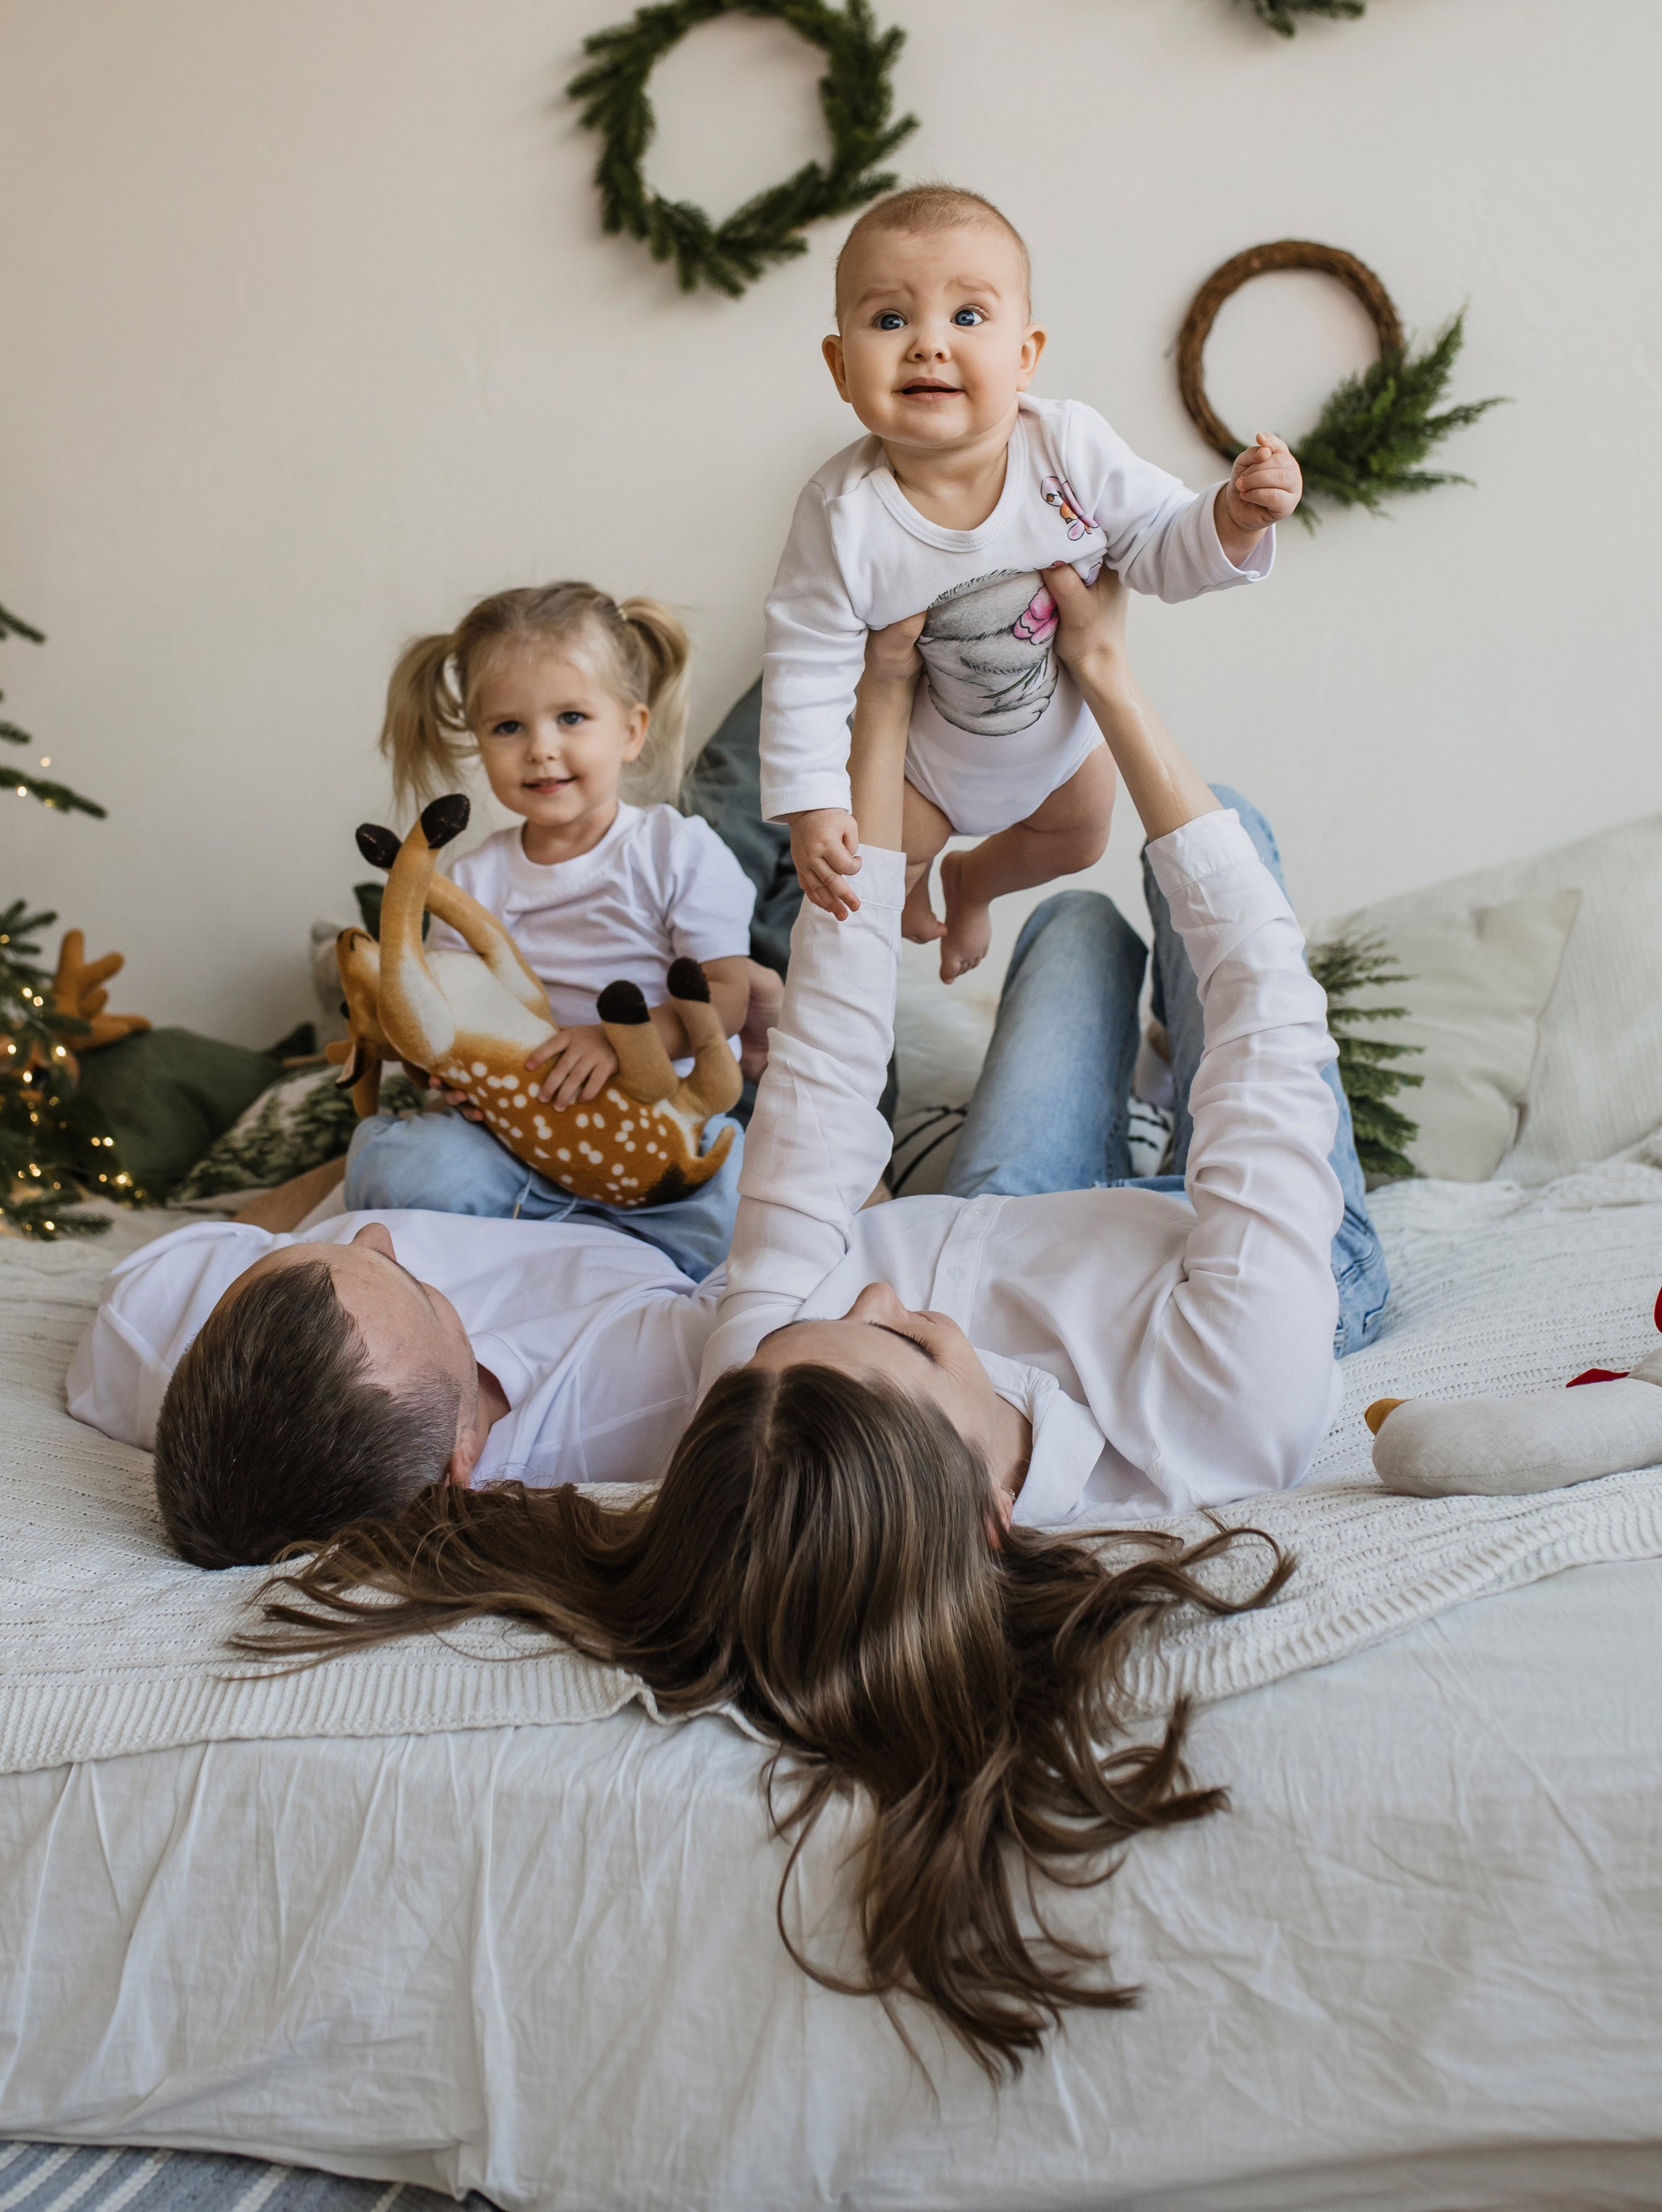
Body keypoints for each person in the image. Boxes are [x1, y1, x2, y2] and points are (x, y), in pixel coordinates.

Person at [229, 564, 1356, 2068]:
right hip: (1222, 1260)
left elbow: (822, 1061)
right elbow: (1270, 1017)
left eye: (833, 1321)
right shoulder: (1233, 1395)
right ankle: (1163, 1125)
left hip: (1005, 1206)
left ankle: (1113, 1096)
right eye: (891, 1344)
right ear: (988, 1512)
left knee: (1066, 948)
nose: (878, 1293)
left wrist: (881, 703)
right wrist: (1106, 680)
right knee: (1213, 866)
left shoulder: (748, 1377)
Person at [761, 182, 1302, 979]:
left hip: (1062, 750)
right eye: (888, 320)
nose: (927, 344)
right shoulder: (842, 514)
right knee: (875, 869)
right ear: (841, 367)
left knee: (1081, 836)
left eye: (968, 316)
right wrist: (812, 807)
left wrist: (1232, 518)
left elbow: (1158, 542)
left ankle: (972, 885)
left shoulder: (1067, 449)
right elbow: (803, 667)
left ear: (1024, 357)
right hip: (927, 772)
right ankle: (919, 887)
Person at [356, 579, 756, 1279]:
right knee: (399, 1168)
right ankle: (534, 1245)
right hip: (517, 1140)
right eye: (508, 727)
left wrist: (617, 1041)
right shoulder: (478, 878)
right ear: (479, 742)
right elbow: (444, 1007)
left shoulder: (676, 850)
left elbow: (729, 993)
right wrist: (453, 1080)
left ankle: (619, 1254)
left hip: (658, 1128)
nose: (540, 749)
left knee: (737, 1198)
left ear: (632, 731)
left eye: (571, 717)